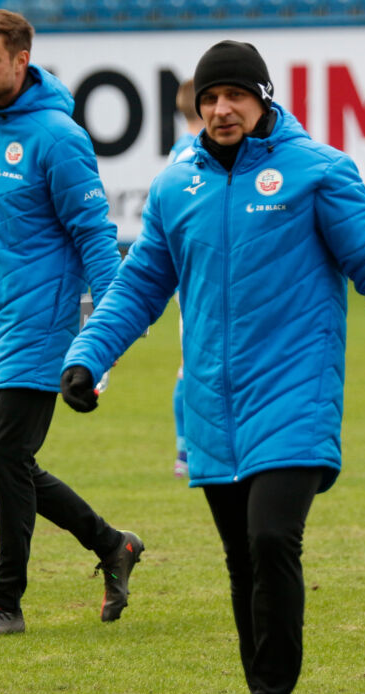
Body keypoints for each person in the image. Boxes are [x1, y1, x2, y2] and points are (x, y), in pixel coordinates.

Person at [57, 41, 365, 694]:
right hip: (210, 406)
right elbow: (139, 287)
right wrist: (87, 356)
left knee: (271, 542)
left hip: (295, 394)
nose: (220, 109)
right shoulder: (177, 187)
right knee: (242, 563)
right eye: (209, 97)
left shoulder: (318, 172)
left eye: (234, 95)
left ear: (263, 99)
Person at [0, 9, 144, 638]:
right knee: (8, 464)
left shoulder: (58, 137)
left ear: (22, 62)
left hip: (43, 327)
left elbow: (96, 238)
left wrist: (108, 329)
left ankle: (6, 603)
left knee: (7, 454)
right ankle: (113, 544)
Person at [168, 79, 201, 478]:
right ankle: (186, 451)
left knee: (192, 362)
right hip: (195, 272)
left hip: (190, 270)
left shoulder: (181, 151)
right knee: (194, 364)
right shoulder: (192, 154)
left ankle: (186, 451)